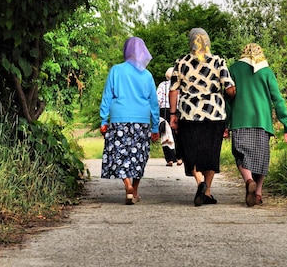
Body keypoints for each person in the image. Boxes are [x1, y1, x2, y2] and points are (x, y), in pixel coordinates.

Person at [168, 28, 236, 206]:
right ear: (208, 41)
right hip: (214, 113)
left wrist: (173, 114)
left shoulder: (181, 62)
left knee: (191, 151)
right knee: (211, 152)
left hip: (189, 113)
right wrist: (233, 93)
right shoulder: (218, 61)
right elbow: (229, 88)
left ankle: (200, 183)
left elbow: (173, 89)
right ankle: (207, 190)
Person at [226, 43, 287, 207]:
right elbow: (278, 100)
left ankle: (249, 180)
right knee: (261, 158)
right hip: (262, 121)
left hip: (240, 119)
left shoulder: (233, 69)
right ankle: (258, 193)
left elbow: (227, 98)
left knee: (241, 154)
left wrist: (226, 123)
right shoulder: (267, 72)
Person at [99, 37, 160, 205]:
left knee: (120, 154)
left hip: (119, 119)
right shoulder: (147, 75)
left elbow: (107, 97)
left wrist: (104, 120)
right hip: (142, 121)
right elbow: (154, 103)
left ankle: (127, 186)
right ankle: (135, 190)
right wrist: (155, 127)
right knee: (139, 156)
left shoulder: (116, 70)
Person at [157, 66, 182, 166]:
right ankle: (179, 158)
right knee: (178, 134)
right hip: (177, 110)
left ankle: (170, 159)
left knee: (166, 135)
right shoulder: (179, 85)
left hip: (164, 111)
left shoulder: (162, 85)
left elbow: (157, 99)